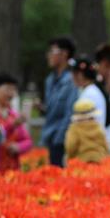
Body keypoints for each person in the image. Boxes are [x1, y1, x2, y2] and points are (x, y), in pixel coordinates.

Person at [41, 37, 78, 167]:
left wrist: (59, 140)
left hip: (61, 140)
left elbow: (69, 113)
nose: (49, 55)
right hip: (50, 137)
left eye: (53, 51)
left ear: (64, 54)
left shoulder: (72, 80)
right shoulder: (50, 80)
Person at [0, 72, 33, 172]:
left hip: (13, 171)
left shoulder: (13, 115)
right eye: (8, 89)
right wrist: (11, 125)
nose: (12, 94)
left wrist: (18, 147)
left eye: (14, 89)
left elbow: (28, 141)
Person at [65, 98, 109, 163]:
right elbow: (105, 146)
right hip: (99, 161)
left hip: (81, 162)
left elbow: (70, 147)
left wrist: (70, 158)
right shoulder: (98, 127)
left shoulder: (74, 129)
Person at [74, 55, 107, 130]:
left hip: (91, 139)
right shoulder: (90, 91)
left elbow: (84, 125)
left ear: (80, 75)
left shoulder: (90, 94)